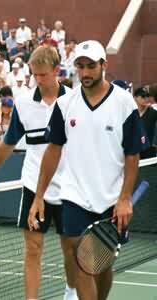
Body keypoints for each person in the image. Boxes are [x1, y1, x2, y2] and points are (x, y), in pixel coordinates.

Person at [28, 40, 148, 300]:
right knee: (81, 262)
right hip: (74, 197)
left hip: (111, 199)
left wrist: (125, 198)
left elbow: (132, 155)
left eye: (91, 66)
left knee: (102, 266)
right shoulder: (65, 104)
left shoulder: (124, 103)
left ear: (104, 65)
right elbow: (53, 150)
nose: (85, 73)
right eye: (80, 67)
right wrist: (39, 196)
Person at [0, 45, 78, 300]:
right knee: (32, 248)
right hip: (33, 184)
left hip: (68, 186)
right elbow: (8, 143)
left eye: (43, 75)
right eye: (35, 75)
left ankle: (71, 291)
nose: (38, 80)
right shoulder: (24, 104)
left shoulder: (75, 100)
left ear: (56, 70)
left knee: (70, 249)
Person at [133, 86, 157, 159]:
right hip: (134, 153)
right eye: (143, 96)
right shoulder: (130, 113)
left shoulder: (154, 113)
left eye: (147, 96)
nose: (146, 99)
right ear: (135, 98)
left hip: (149, 154)